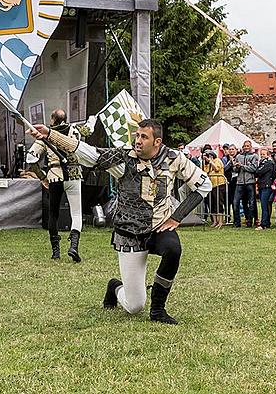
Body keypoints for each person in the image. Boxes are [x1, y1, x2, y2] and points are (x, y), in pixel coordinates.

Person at [27, 118, 211, 324]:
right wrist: (51, 135)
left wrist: (177, 216)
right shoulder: (123, 158)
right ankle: (115, 287)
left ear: (157, 142)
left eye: (144, 136)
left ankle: (158, 309)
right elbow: (89, 153)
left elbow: (204, 185)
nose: (138, 140)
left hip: (159, 227)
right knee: (134, 306)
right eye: (137, 135)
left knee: (174, 250)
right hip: (129, 234)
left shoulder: (174, 158)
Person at [27, 109, 89, 261]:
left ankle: (56, 251)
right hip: (74, 175)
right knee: (76, 213)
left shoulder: (45, 135)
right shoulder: (76, 130)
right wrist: (93, 119)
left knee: (53, 214)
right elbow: (88, 129)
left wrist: (42, 177)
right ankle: (74, 246)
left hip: (54, 176)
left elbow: (30, 158)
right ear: (65, 118)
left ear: (52, 119)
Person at [233, 141, 258, 228]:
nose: (246, 147)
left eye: (248, 146)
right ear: (243, 147)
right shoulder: (238, 156)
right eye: (245, 146)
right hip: (239, 182)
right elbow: (235, 170)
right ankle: (237, 222)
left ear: (251, 146)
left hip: (250, 182)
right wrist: (236, 167)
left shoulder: (254, 156)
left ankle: (250, 221)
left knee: (251, 203)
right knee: (235, 202)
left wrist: (242, 166)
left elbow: (254, 168)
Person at [202, 150, 227, 228]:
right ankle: (215, 221)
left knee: (219, 203)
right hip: (210, 186)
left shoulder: (217, 160)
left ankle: (220, 221)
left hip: (219, 184)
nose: (205, 159)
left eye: (206, 156)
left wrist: (210, 161)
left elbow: (216, 169)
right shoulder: (205, 164)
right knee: (211, 203)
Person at [255, 148, 276, 230]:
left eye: (264, 154)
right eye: (261, 154)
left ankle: (263, 224)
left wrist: (258, 171)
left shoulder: (269, 163)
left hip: (266, 185)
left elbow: (259, 172)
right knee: (264, 205)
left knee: (264, 205)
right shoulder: (262, 163)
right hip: (261, 185)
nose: (262, 156)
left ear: (268, 155)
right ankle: (266, 223)